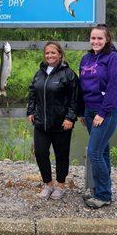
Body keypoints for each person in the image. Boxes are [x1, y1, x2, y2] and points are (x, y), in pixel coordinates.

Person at [27, 41, 79, 200]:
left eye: (53, 53)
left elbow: (75, 99)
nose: (50, 55)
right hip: (41, 123)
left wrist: (70, 118)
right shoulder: (39, 73)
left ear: (60, 54)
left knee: (61, 155)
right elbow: (32, 93)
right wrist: (30, 111)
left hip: (61, 124)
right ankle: (48, 184)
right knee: (41, 153)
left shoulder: (68, 74)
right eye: (47, 53)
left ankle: (61, 185)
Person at [79, 24, 117, 209]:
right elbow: (81, 87)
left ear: (107, 40)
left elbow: (114, 88)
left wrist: (102, 113)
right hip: (89, 111)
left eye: (100, 38)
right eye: (93, 38)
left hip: (106, 111)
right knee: (102, 151)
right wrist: (82, 111)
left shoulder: (113, 59)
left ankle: (104, 194)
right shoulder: (85, 58)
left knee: (94, 153)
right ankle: (101, 190)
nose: (96, 41)